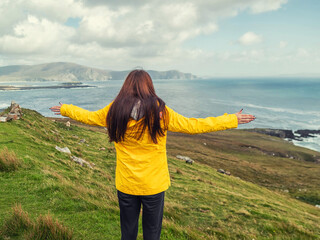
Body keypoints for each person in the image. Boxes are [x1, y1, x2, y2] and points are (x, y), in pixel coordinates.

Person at [50, 70, 255, 240]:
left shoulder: (115, 110)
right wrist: (232, 119)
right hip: (154, 185)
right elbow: (194, 125)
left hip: (127, 183)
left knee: (127, 233)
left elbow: (89, 117)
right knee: (152, 233)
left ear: (126, 86)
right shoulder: (160, 111)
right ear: (149, 86)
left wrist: (66, 109)